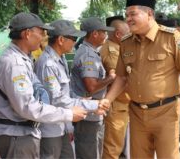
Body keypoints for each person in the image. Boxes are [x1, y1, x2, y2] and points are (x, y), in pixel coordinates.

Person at [102, 0, 180, 159]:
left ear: (149, 14)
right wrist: (107, 100)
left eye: (133, 14)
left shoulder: (171, 38)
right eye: (127, 15)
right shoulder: (126, 42)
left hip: (166, 113)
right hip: (137, 113)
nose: (129, 19)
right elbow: (121, 78)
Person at [0, 12, 88, 158]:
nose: (43, 38)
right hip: (16, 137)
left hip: (23, 134)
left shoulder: (24, 59)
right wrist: (68, 114)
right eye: (41, 33)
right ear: (27, 33)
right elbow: (28, 108)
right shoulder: (14, 63)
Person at [34, 19, 106, 159]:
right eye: (73, 38)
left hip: (61, 125)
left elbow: (66, 91)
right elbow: (57, 99)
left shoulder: (59, 59)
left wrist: (81, 100)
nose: (75, 42)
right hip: (51, 128)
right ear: (61, 39)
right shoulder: (48, 63)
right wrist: (92, 105)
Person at [70, 17, 116, 159]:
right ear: (94, 33)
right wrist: (111, 77)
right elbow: (91, 87)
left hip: (92, 112)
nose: (106, 35)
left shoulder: (90, 51)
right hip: (88, 114)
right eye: (103, 32)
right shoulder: (88, 55)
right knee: (89, 153)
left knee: (94, 151)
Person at [100, 16, 130, 159]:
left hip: (123, 104)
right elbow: (118, 75)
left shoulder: (119, 47)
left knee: (119, 146)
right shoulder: (111, 49)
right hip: (116, 105)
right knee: (112, 148)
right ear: (118, 34)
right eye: (128, 33)